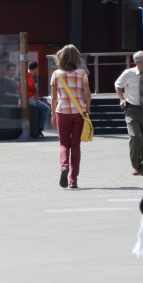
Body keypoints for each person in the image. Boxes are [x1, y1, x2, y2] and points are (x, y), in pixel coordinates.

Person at [50, 44, 90, 189]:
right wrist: (87, 109)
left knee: (63, 144)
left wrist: (53, 114)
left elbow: (54, 98)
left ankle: (64, 167)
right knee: (76, 146)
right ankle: (73, 180)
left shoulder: (56, 74)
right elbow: (87, 94)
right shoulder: (81, 73)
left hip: (62, 112)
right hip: (79, 112)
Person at [26, 61, 50, 138]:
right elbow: (32, 88)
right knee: (47, 108)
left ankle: (38, 127)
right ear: (35, 69)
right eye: (37, 69)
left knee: (41, 108)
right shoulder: (29, 76)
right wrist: (36, 94)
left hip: (30, 98)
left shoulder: (27, 74)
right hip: (29, 99)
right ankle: (39, 129)